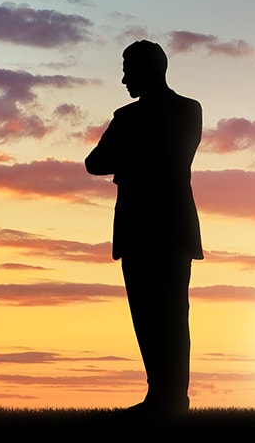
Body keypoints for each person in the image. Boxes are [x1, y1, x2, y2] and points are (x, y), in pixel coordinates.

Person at [85, 40, 203, 417]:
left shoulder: (130, 118)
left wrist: (131, 158)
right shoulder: (188, 111)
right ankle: (165, 396)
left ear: (147, 70)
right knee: (163, 314)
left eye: (127, 69)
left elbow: (96, 162)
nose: (123, 79)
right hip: (171, 226)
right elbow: (96, 162)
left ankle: (167, 397)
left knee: (157, 315)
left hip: (145, 226)